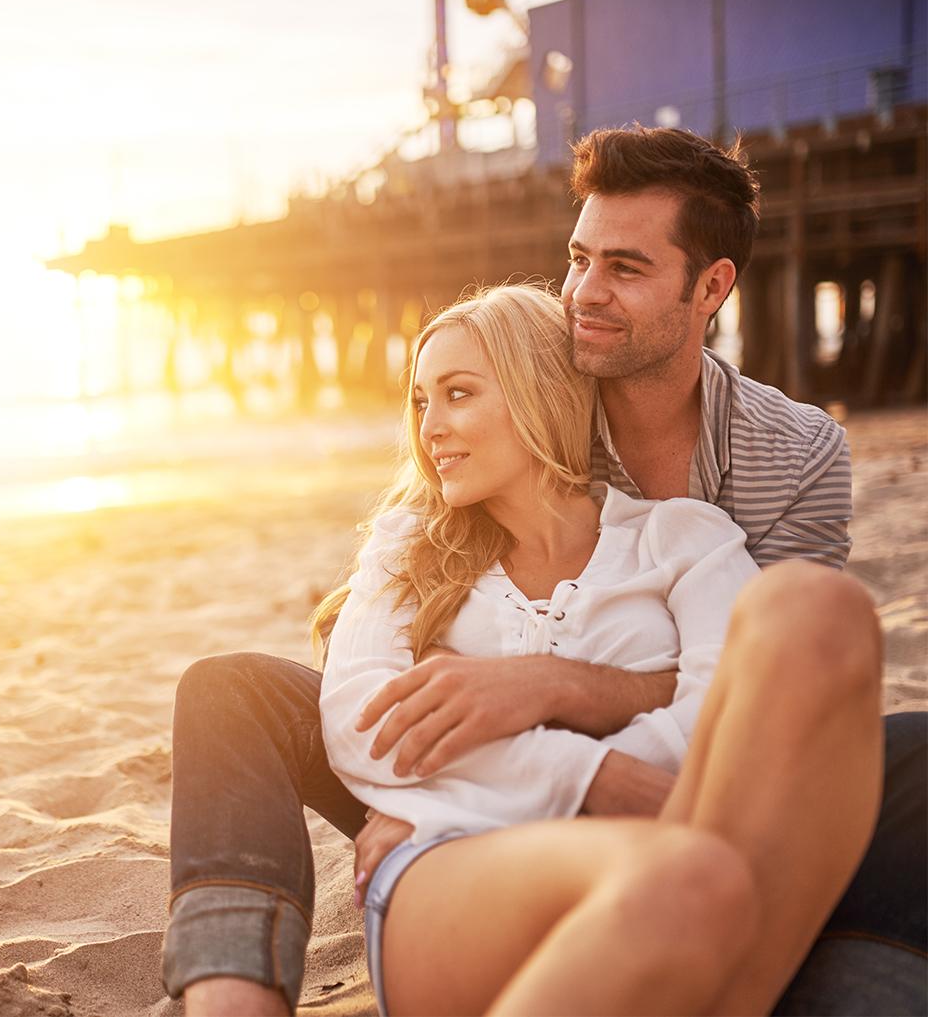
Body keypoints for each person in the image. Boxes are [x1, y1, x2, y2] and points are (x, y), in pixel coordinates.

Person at [163, 126, 927, 1017]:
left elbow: (767, 694)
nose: (584, 296)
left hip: (680, 777)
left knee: (886, 719)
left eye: (626, 269)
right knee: (235, 691)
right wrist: (491, 783)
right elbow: (370, 676)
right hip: (473, 769)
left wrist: (544, 685)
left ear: (712, 285)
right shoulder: (512, 419)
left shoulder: (772, 469)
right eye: (577, 259)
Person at [315, 282, 881, 1016]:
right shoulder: (408, 548)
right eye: (421, 402)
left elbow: (723, 716)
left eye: (457, 394)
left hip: (674, 847)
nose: (431, 429)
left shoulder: (681, 537)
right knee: (689, 877)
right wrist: (589, 775)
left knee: (819, 608)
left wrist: (497, 756)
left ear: (538, 391)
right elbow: (364, 721)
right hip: (459, 867)